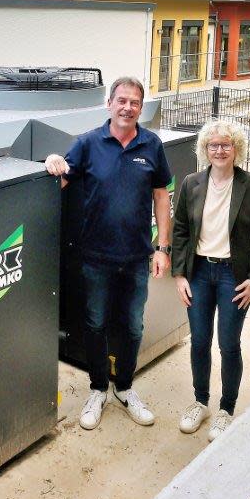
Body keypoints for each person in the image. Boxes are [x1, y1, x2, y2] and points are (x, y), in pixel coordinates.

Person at [44, 76, 172, 430]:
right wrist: (53, 160)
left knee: (132, 326)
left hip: (135, 257)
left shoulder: (152, 145)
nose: (128, 107)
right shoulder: (87, 143)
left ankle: (126, 388)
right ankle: (98, 389)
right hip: (95, 257)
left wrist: (162, 247)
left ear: (140, 108)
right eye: (122, 101)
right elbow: (62, 176)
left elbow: (162, 196)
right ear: (109, 104)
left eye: (134, 102)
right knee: (96, 324)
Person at [170, 119, 250, 441]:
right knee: (199, 341)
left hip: (233, 276)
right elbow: (182, 231)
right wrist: (179, 275)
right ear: (205, 149)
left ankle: (226, 409)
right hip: (199, 273)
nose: (219, 150)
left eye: (226, 144)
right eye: (213, 145)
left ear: (236, 148)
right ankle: (200, 402)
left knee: (228, 344)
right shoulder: (191, 183)